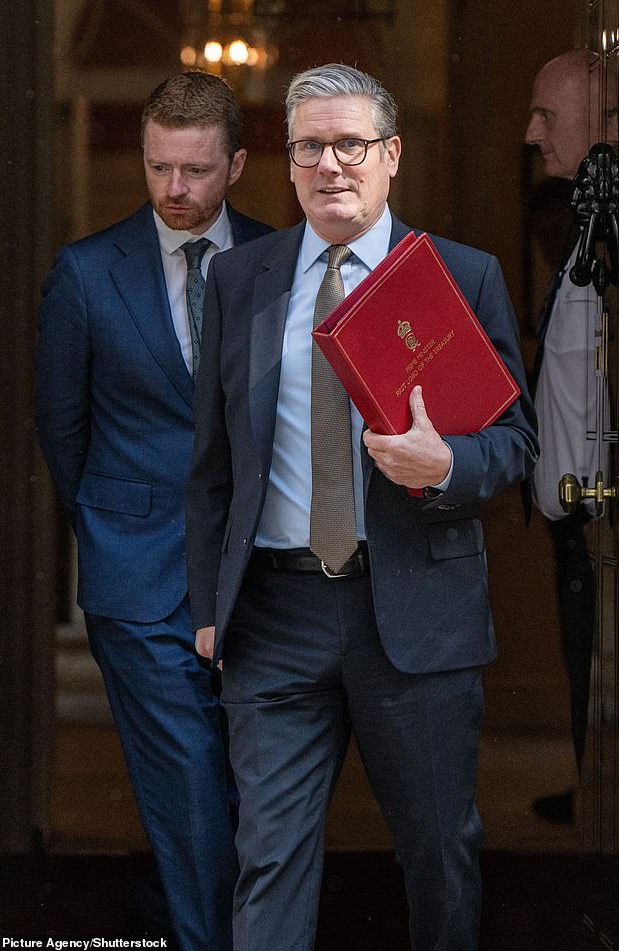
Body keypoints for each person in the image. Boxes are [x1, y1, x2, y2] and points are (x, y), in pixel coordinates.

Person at [184, 63, 538, 951]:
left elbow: (518, 441)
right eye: (310, 146)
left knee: (438, 851)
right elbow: (212, 466)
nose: (329, 164)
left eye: (350, 144)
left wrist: (445, 461)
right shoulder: (240, 279)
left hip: (414, 612)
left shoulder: (459, 273)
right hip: (275, 614)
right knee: (267, 855)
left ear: (391, 157)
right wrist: (206, 608)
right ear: (289, 162)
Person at [35, 71, 273, 950]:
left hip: (261, 579)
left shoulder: (278, 262)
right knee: (187, 790)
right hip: (140, 578)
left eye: (197, 171)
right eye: (158, 166)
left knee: (258, 792)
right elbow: (63, 433)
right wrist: (114, 527)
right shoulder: (87, 275)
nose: (175, 189)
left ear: (237, 165)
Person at [524, 49, 613, 823]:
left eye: (546, 115)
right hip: (577, 512)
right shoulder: (587, 220)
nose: (530, 132)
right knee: (583, 654)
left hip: (605, 512)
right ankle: (597, 789)